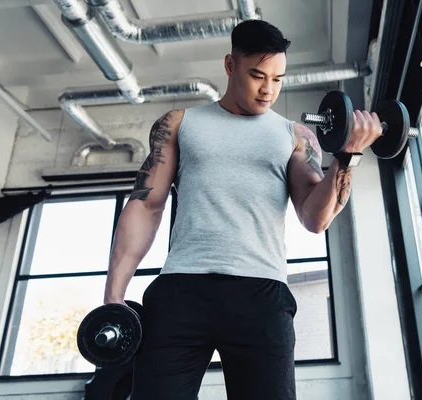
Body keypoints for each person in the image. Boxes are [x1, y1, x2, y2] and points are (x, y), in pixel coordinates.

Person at [103, 19, 382, 400]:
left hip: (261, 294)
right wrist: (114, 296)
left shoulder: (296, 136)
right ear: (230, 65)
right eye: (257, 75)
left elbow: (316, 218)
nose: (269, 89)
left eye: (278, 79)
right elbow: (146, 204)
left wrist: (347, 155)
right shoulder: (180, 123)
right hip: (182, 289)